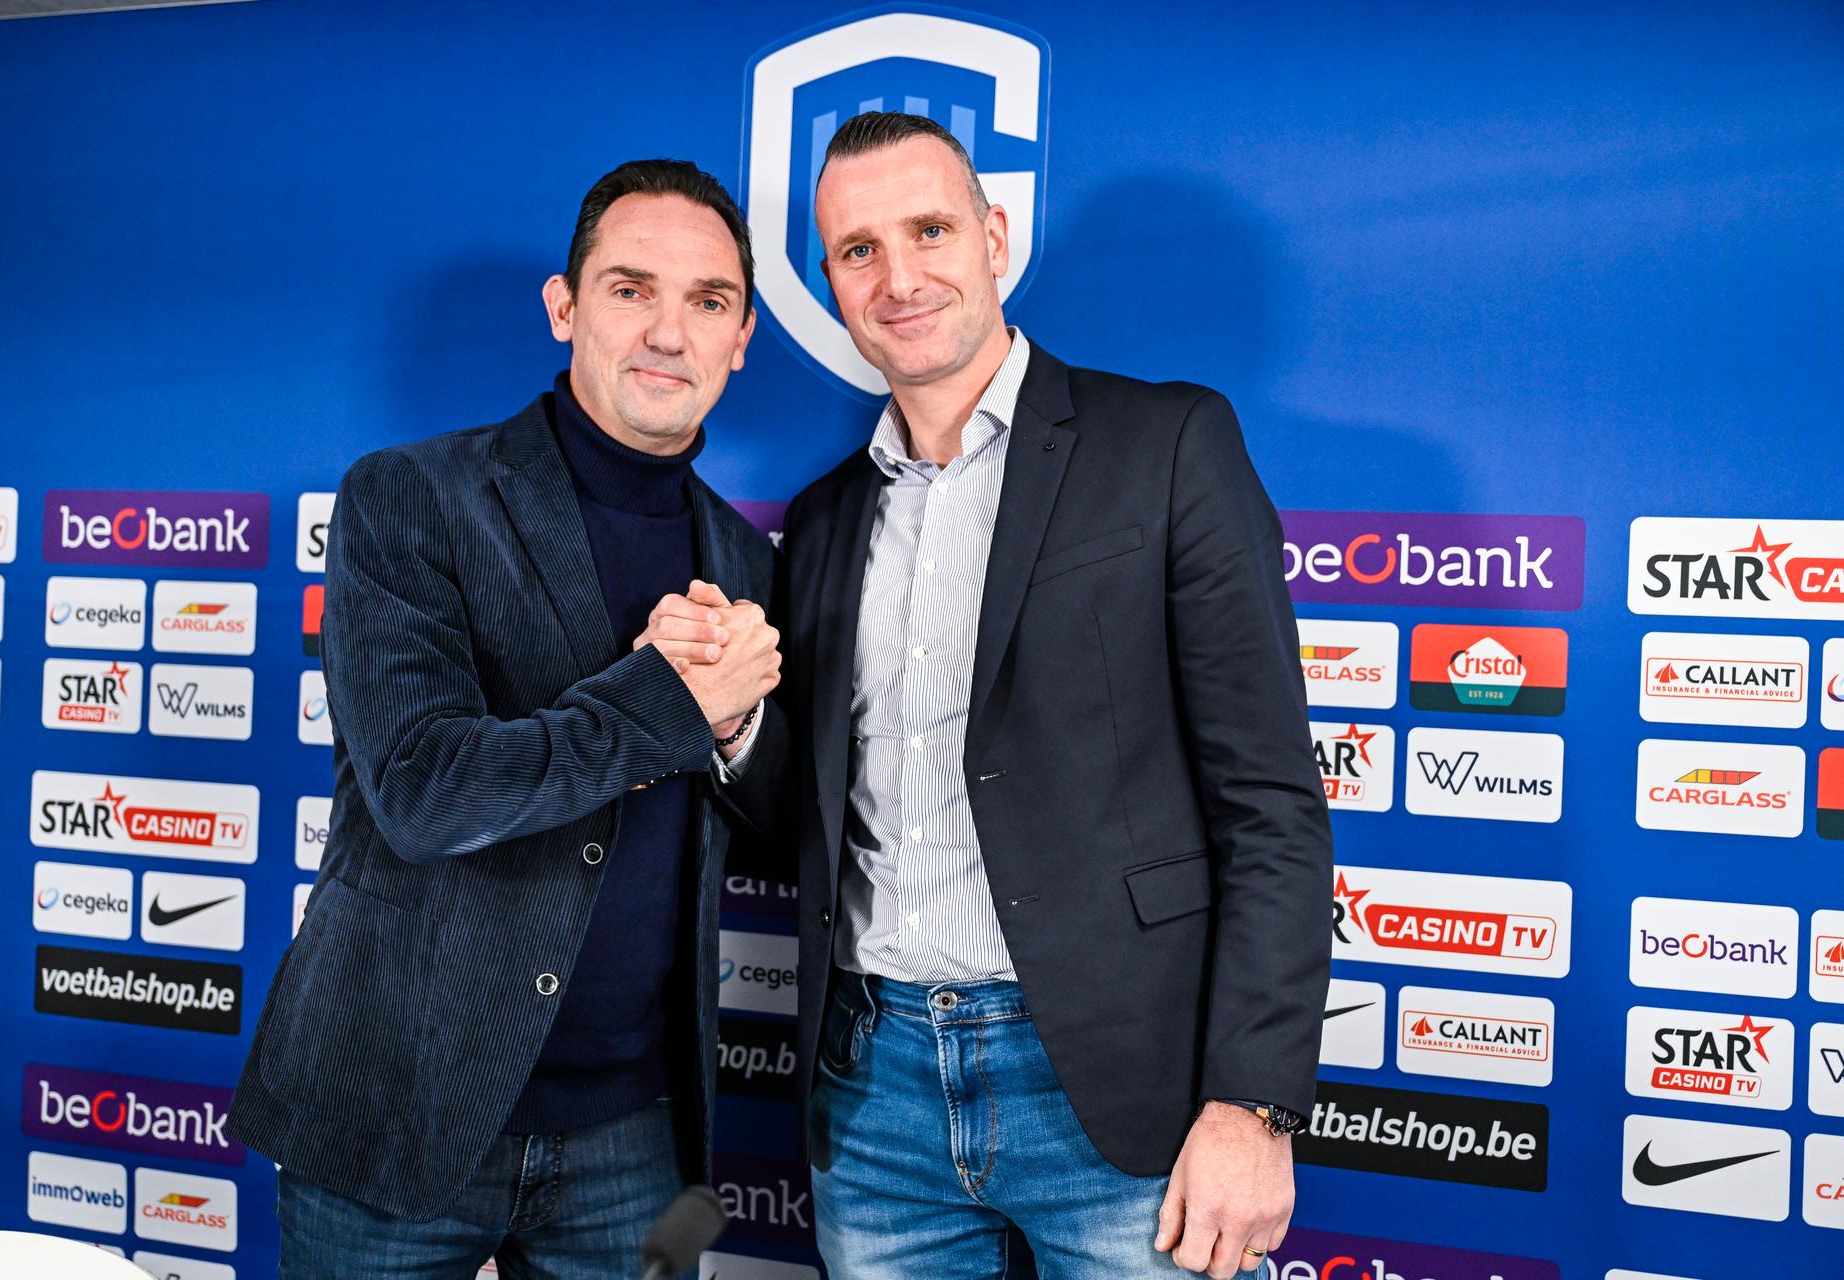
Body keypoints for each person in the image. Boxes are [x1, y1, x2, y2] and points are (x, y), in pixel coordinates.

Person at [657, 111, 1333, 1280]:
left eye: (929, 229)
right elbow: (806, 818)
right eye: (858, 250)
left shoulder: (1167, 442)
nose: (899, 275)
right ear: (830, 282)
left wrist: (1255, 1103)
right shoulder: (821, 521)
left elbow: (1270, 799)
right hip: (873, 1096)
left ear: (995, 236)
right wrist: (730, 719)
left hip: (1123, 1090)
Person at [231, 158, 781, 1280]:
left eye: (708, 301)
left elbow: (760, 821)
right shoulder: (408, 498)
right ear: (564, 307)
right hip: (396, 1095)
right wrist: (669, 702)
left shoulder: (741, 554)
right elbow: (428, 792)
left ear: (743, 336)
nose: (668, 332)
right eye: (631, 289)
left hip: (638, 1124)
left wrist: (734, 734)